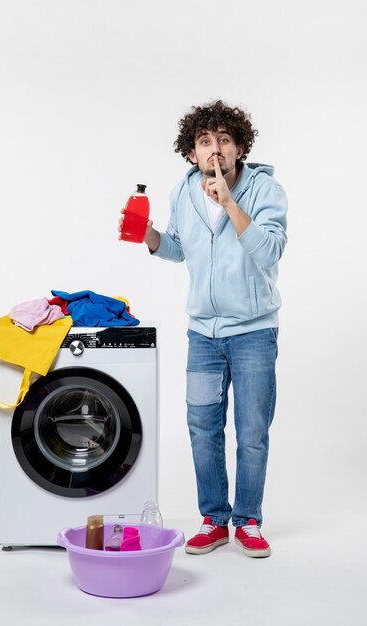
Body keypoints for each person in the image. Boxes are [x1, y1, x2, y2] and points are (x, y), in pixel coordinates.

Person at [118, 100, 287, 558]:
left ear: (239, 148)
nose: (215, 150)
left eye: (225, 140)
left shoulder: (265, 190)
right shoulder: (184, 192)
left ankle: (248, 521)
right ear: (192, 152)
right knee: (202, 427)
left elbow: (269, 251)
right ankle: (214, 519)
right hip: (203, 336)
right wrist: (150, 236)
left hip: (253, 332)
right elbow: (177, 248)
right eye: (205, 141)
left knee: (252, 430)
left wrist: (230, 203)